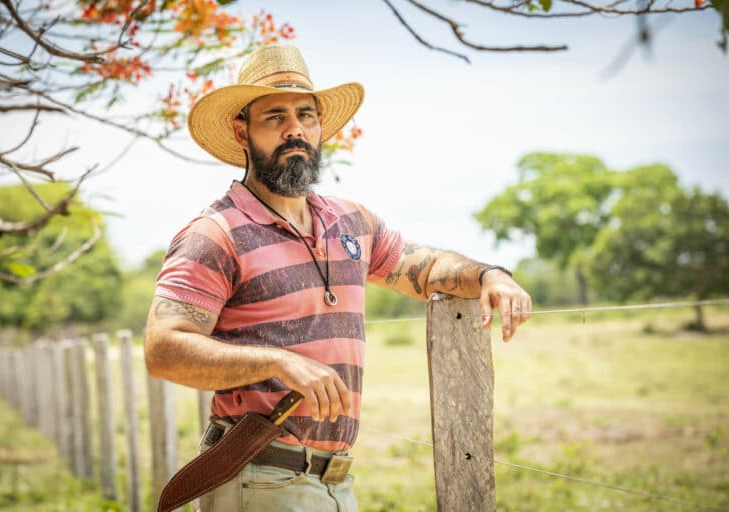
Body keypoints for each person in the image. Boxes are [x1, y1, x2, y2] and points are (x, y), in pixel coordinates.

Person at [144, 44, 531, 512]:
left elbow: (423, 268)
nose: (295, 129)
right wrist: (277, 363)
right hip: (258, 477)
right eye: (275, 117)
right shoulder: (216, 233)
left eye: (306, 115)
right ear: (240, 130)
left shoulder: (351, 222)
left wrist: (490, 275)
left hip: (336, 482)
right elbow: (163, 349)